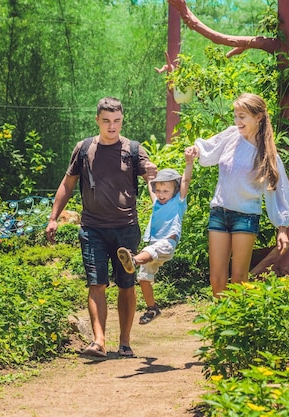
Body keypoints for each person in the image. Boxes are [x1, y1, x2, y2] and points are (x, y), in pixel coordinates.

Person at [45, 97, 157, 358]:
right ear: (97, 120)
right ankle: (99, 341)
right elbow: (67, 184)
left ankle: (125, 341)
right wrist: (53, 217)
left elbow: (152, 182)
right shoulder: (84, 149)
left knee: (126, 284)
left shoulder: (134, 150)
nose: (112, 126)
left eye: (116, 121)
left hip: (126, 228)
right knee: (97, 283)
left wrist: (155, 186)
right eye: (106, 121)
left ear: (122, 120)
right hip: (92, 228)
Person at [186, 93, 289, 297]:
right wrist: (195, 150)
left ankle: (237, 326)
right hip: (219, 212)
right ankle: (219, 325)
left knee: (238, 280)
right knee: (216, 279)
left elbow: (280, 192)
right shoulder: (231, 135)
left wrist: (282, 227)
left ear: (258, 117)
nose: (237, 121)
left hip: (245, 217)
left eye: (242, 116)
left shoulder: (268, 154)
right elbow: (209, 149)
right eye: (235, 116)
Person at [116, 151, 194, 325]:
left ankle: (134, 261)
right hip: (153, 245)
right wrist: (150, 172)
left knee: (146, 253)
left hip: (167, 243)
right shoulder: (157, 203)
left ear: (175, 190)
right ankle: (152, 308)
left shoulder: (179, 202)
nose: (161, 194)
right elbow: (150, 182)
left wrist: (189, 163)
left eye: (166, 190)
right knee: (143, 278)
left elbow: (186, 181)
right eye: (158, 191)